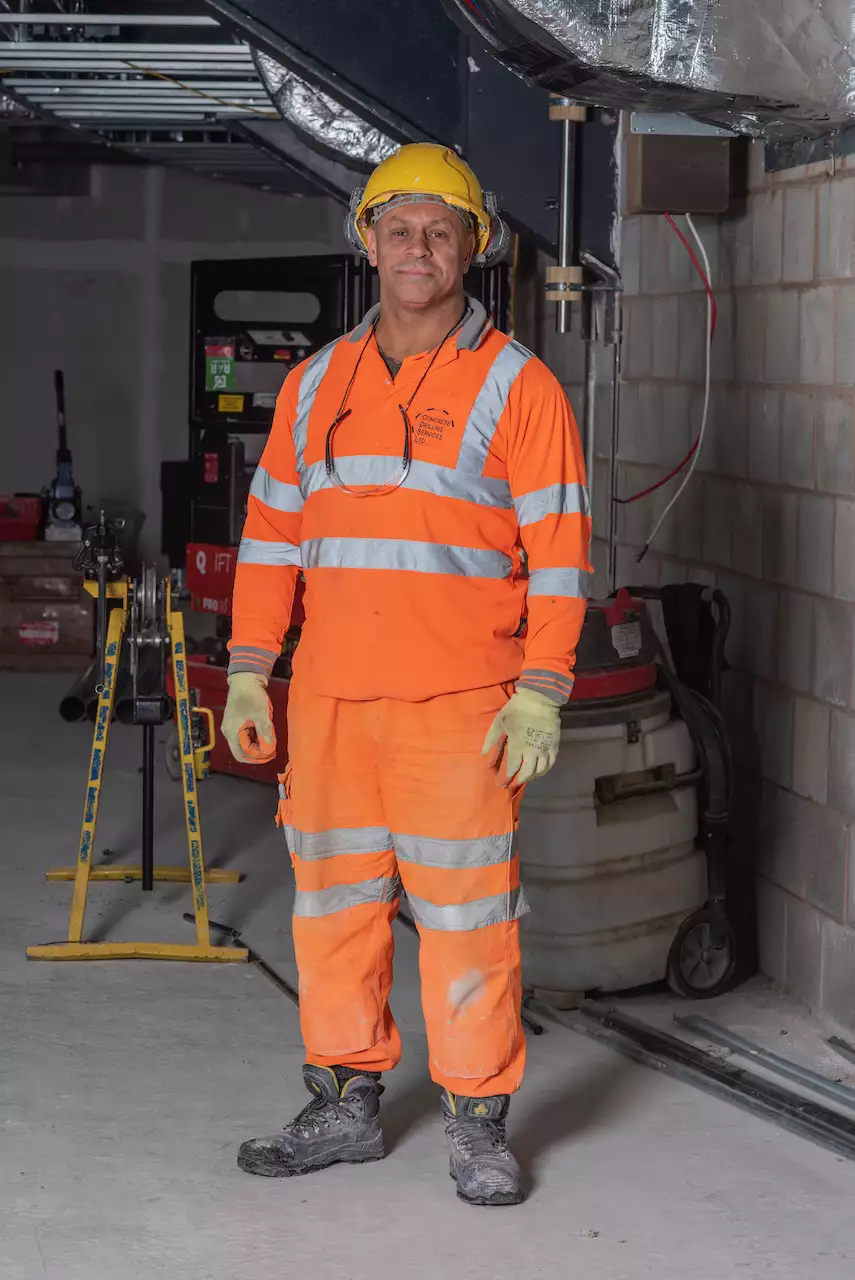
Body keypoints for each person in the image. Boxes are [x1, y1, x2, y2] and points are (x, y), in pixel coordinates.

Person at [221, 142, 592, 1206]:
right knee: (332, 914)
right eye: (399, 227)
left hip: (461, 713)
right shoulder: (314, 385)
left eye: (442, 229)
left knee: (471, 921)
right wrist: (251, 669)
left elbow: (561, 549)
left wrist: (543, 684)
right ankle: (344, 1102)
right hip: (332, 705)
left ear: (474, 245)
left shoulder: (519, 387)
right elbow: (272, 538)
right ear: (367, 240)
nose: (418, 247)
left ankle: (479, 1121)